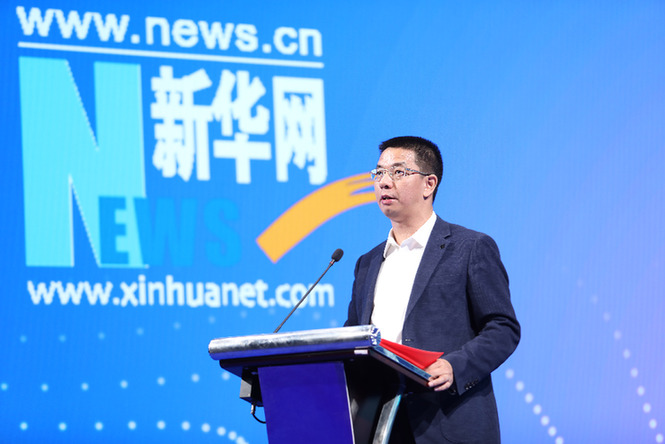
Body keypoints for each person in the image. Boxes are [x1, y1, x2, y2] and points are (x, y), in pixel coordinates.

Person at [345, 136, 520, 443]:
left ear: (429, 184)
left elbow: (503, 328)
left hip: (447, 420)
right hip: (380, 425)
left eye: (398, 172)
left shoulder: (470, 248)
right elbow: (353, 338)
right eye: (379, 172)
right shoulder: (367, 263)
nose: (384, 182)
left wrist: (455, 366)